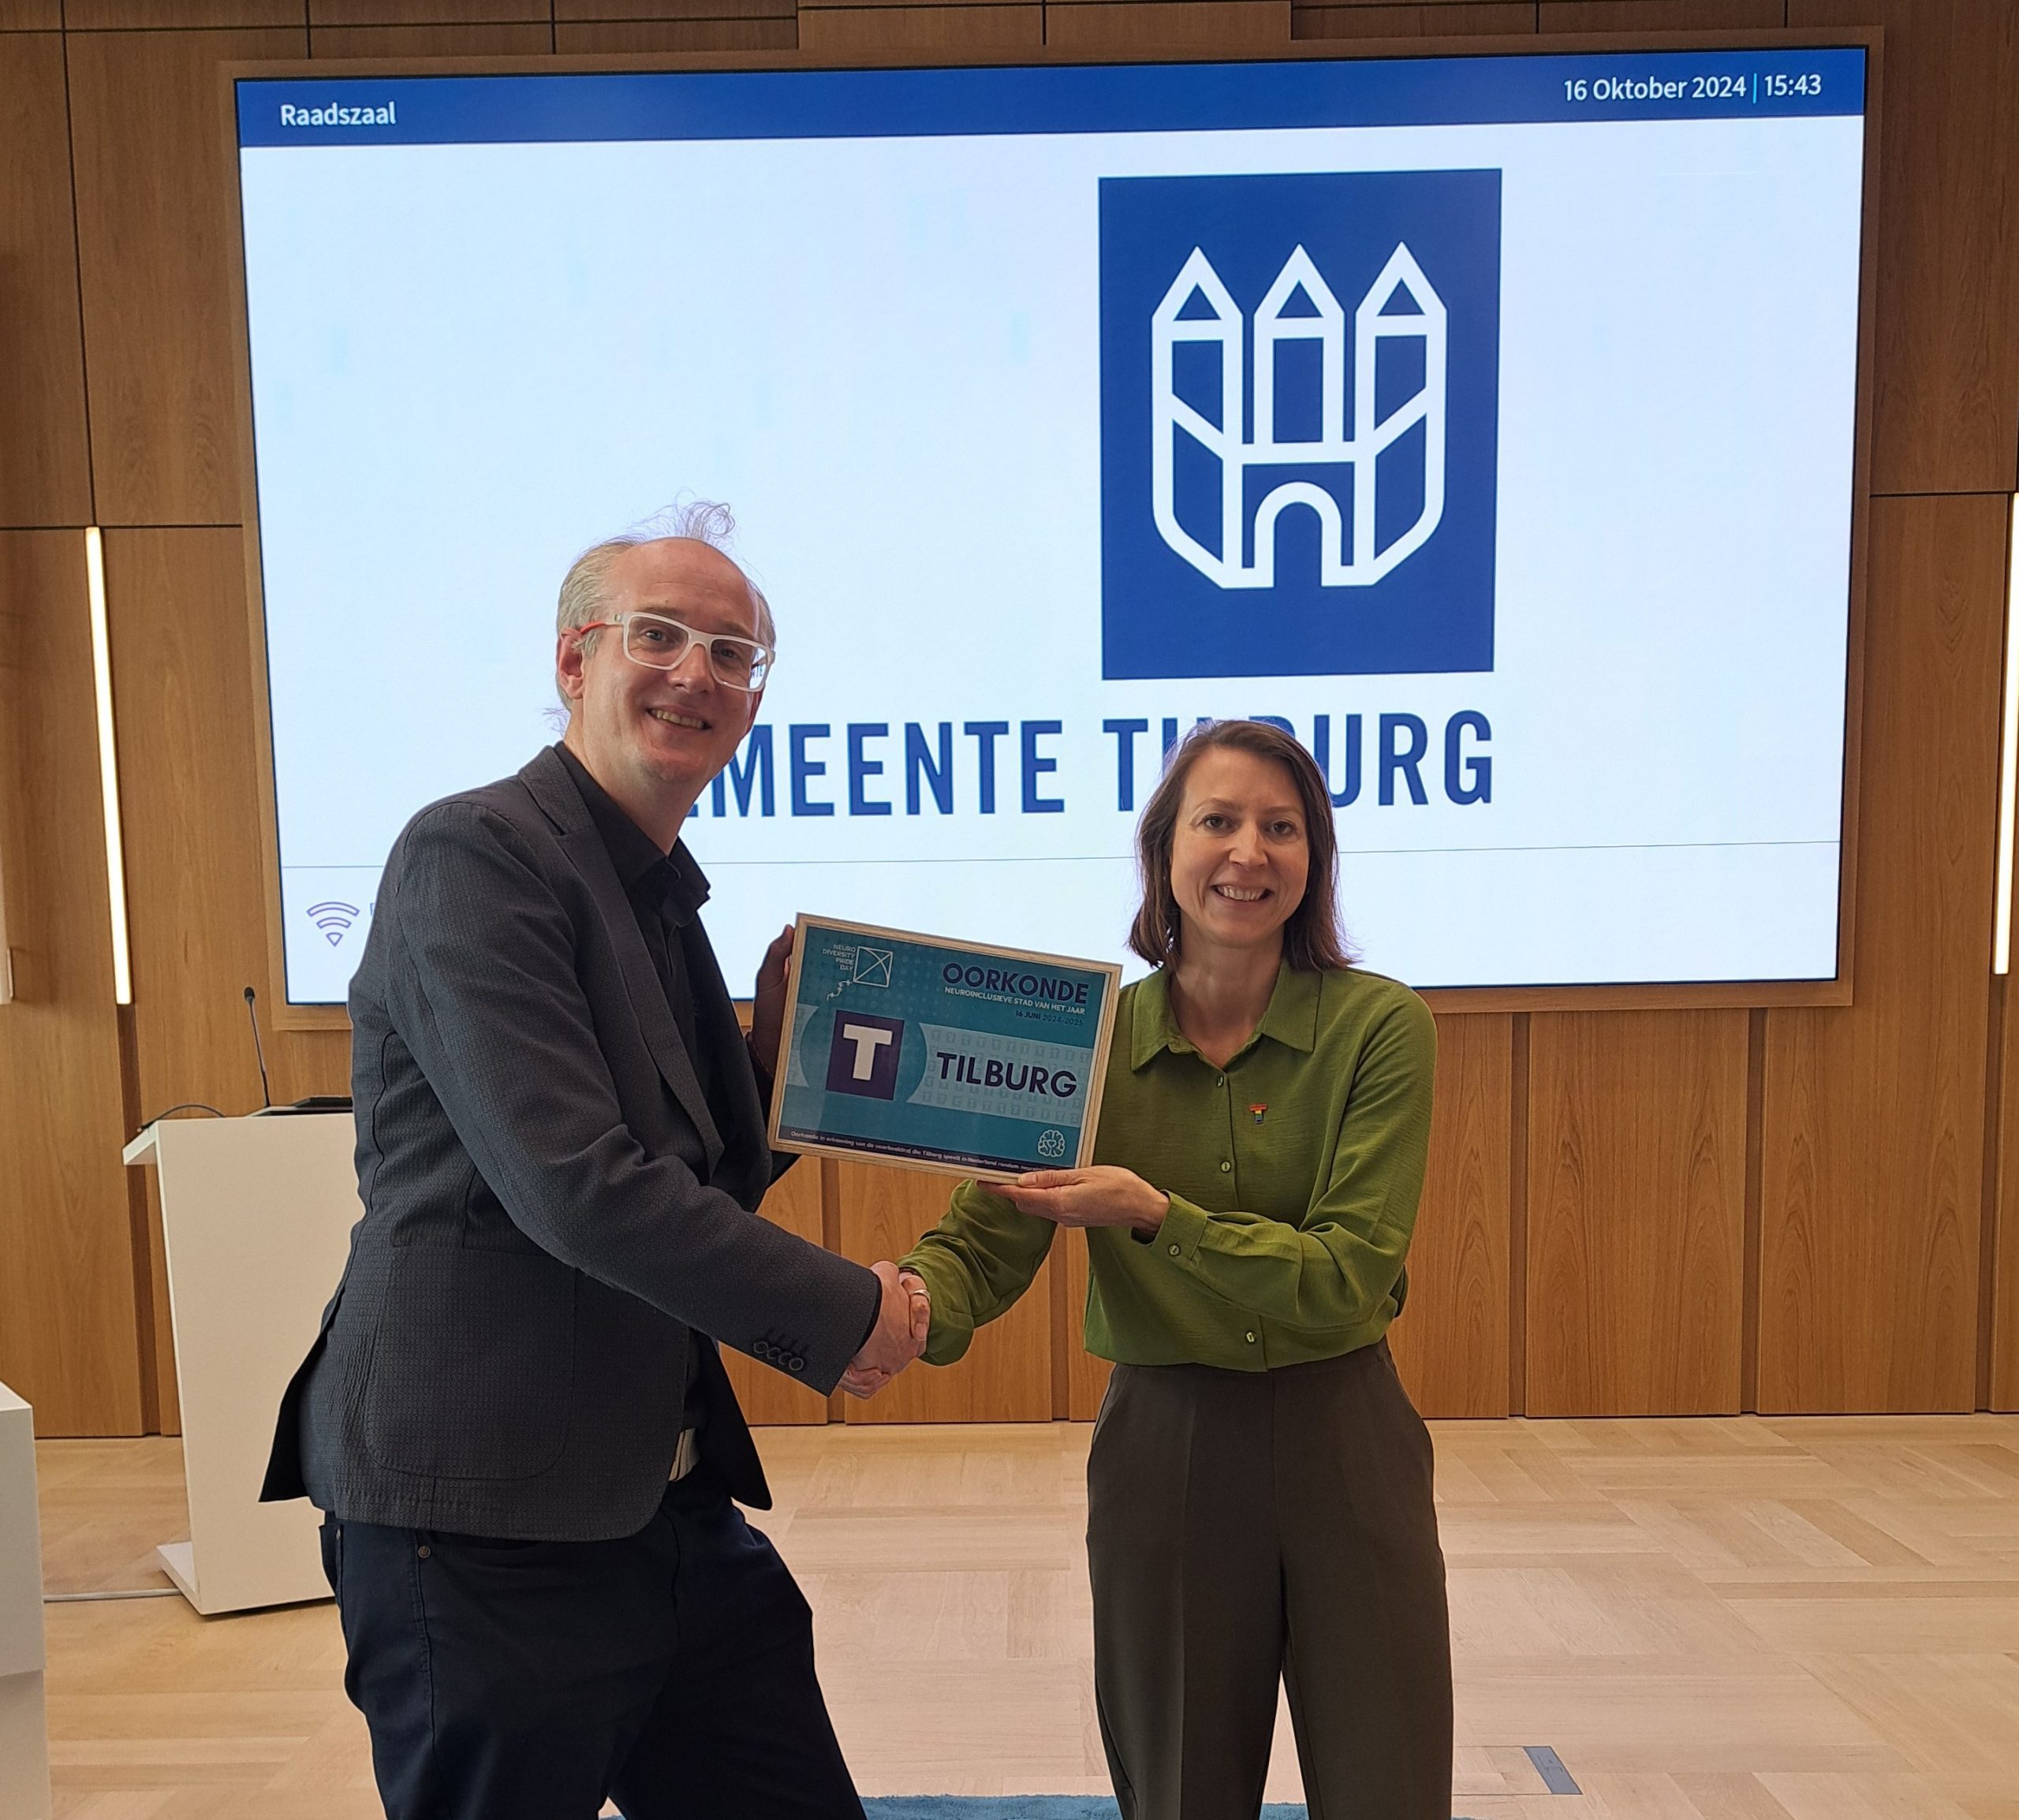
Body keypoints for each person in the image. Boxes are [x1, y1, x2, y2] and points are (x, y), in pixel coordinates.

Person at [261, 502, 927, 1820]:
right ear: (575, 659)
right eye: (658, 635)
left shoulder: (659, 889)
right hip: (481, 1523)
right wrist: (849, 1311)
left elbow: (688, 1180)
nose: (697, 674)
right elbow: (576, 1186)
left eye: (732, 654)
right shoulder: (475, 854)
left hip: (657, 1508)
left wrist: (776, 1071)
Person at [875, 718, 1452, 1820]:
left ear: (1315, 857)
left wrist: (1156, 1218)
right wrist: (896, 1307)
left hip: (1349, 1439)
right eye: (1218, 821)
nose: (1249, 852)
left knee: (1391, 1784)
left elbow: (1347, 1276)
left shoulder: (1383, 1028)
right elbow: (983, 1243)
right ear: (1164, 850)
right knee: (1181, 1791)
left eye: (1282, 828)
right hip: (1166, 1449)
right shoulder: (1080, 1041)